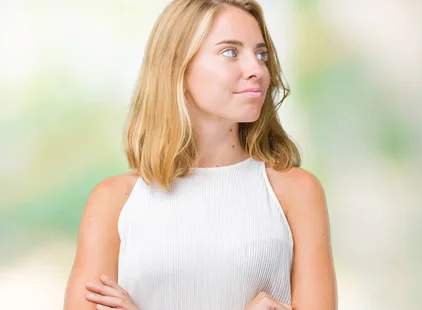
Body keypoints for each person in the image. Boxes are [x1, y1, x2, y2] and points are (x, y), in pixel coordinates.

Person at [63, 0, 337, 309]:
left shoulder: (296, 192)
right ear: (177, 66)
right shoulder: (113, 201)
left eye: (261, 54)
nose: (257, 69)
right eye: (230, 52)